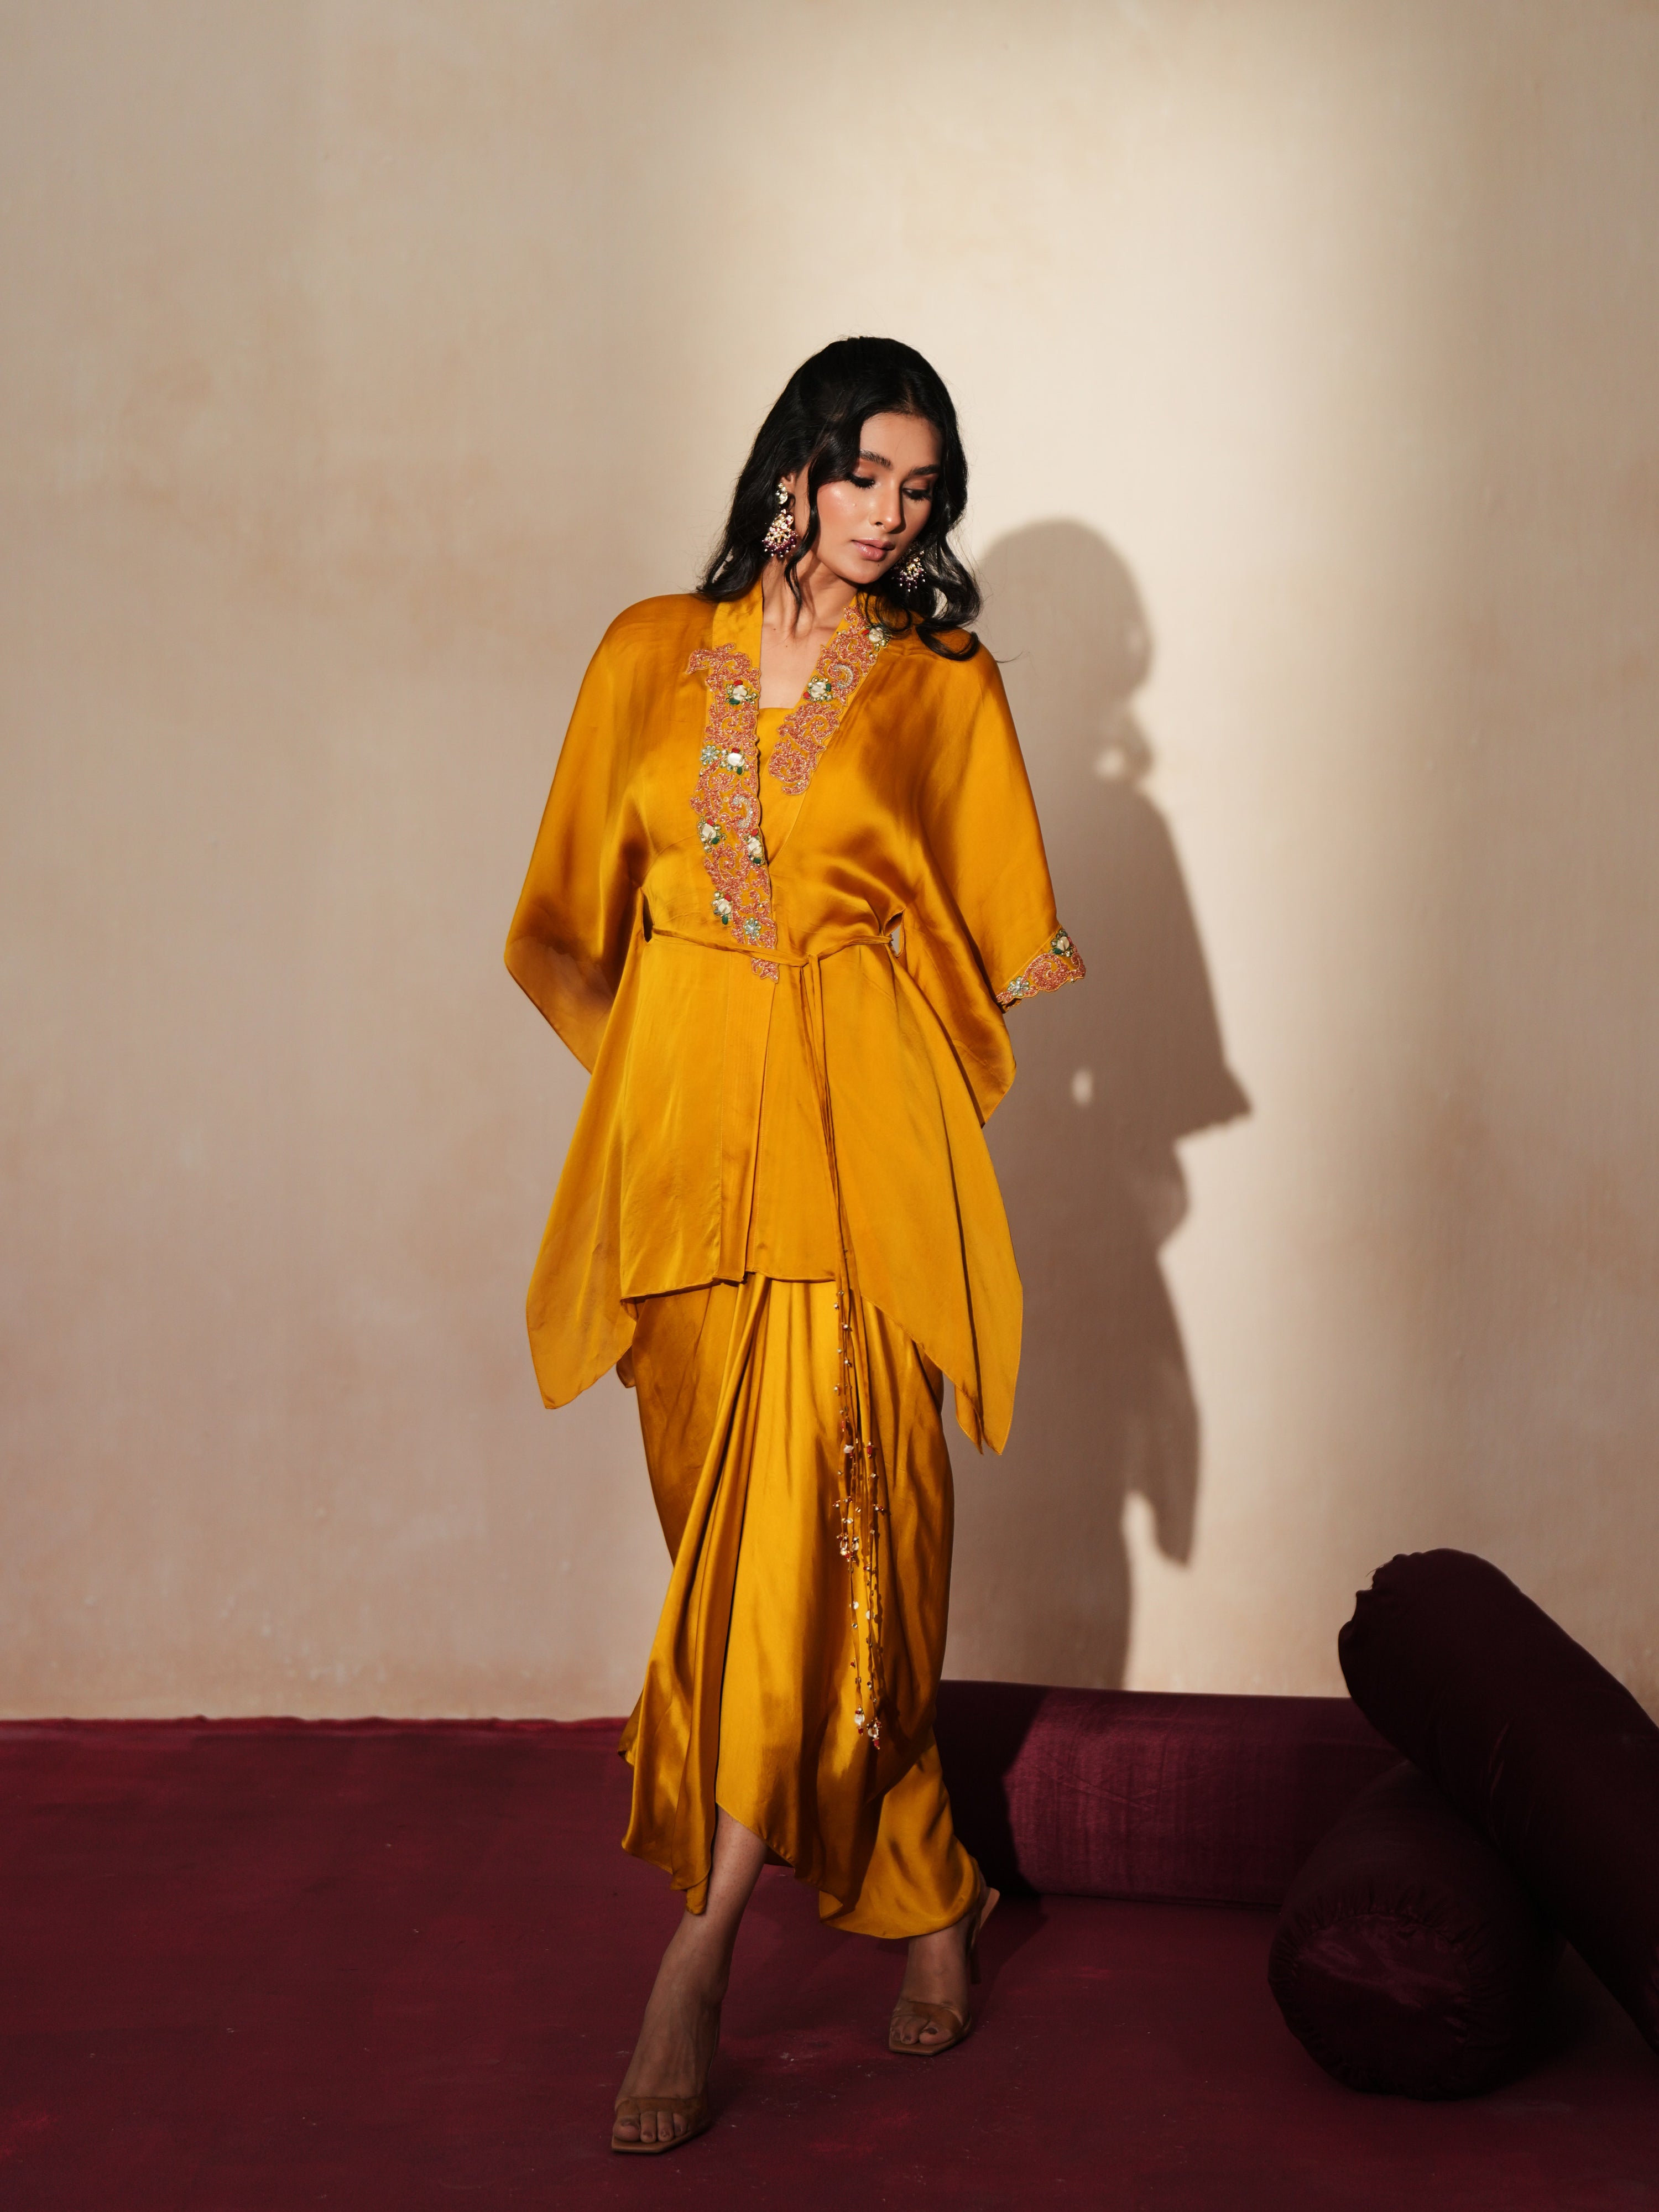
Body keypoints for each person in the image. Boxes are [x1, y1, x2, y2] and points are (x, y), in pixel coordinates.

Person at [505, 337, 1083, 2154]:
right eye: (866, 476)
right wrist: (678, 1072)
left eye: (923, 489)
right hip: (681, 1166)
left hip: (850, 1155)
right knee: (781, 1559)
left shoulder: (942, 688)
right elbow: (567, 927)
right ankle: (930, 1885)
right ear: (795, 471)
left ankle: (697, 1961)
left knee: (833, 1523)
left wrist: (847, 1051)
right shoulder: (639, 656)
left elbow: (996, 947)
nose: (890, 515)